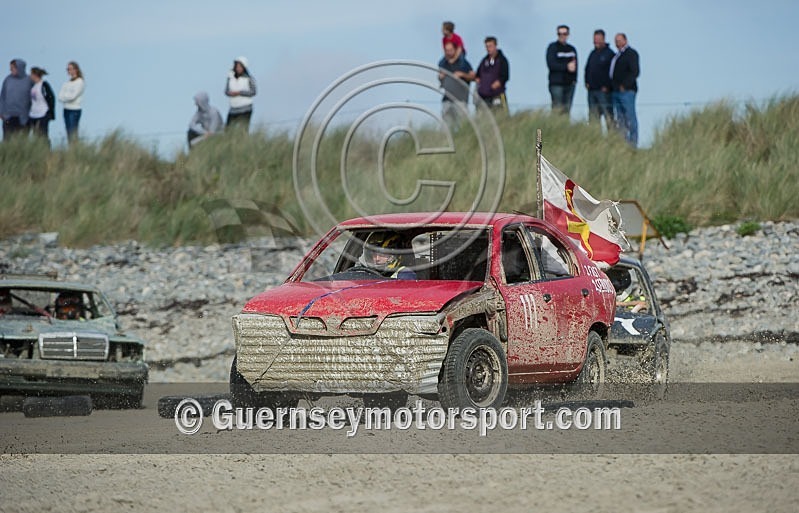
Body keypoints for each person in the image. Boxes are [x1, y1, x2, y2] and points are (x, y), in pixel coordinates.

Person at [610, 33, 640, 147]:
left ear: (625, 40)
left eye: (619, 40)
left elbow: (635, 72)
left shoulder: (631, 54)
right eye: (615, 41)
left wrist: (625, 85)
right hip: (616, 91)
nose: (617, 43)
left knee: (630, 117)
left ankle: (632, 143)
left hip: (626, 91)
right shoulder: (617, 55)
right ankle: (623, 143)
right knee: (620, 118)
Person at [438, 41, 475, 128]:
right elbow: (441, 81)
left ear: (455, 50)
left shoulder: (463, 63)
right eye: (447, 50)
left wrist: (462, 74)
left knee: (464, 125)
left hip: (460, 100)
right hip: (446, 99)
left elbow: (473, 77)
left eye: (450, 50)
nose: (449, 52)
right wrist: (440, 77)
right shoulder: (443, 64)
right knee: (446, 127)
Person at [584, 29, 615, 128]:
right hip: (592, 90)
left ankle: (612, 138)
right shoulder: (592, 53)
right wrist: (586, 82)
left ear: (603, 39)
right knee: (593, 117)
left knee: (608, 116)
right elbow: (587, 68)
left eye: (598, 39)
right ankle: (595, 139)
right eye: (594, 39)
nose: (596, 41)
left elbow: (614, 72)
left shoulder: (610, 54)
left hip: (604, 92)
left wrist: (608, 86)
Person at [546, 25, 578, 115]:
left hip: (570, 84)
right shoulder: (552, 47)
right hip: (557, 84)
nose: (562, 36)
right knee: (557, 109)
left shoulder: (572, 49)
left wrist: (574, 80)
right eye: (560, 34)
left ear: (568, 34)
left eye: (564, 34)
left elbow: (575, 65)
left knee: (567, 110)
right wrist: (566, 67)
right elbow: (551, 64)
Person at [0, 59, 34, 140]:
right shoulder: (8, 80)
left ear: (19, 68)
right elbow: (2, 96)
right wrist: (1, 111)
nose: (11, 70)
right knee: (7, 139)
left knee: (22, 140)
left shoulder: (29, 80)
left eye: (12, 68)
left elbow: (35, 97)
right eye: (10, 68)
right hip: (8, 116)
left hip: (23, 117)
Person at [475, 36, 510, 114]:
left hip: (497, 95)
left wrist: (498, 83)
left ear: (495, 46)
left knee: (501, 116)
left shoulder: (502, 60)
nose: (488, 48)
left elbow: (505, 76)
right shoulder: (484, 61)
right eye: (487, 46)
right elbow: (477, 75)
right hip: (484, 96)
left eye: (490, 46)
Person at [224, 56, 256, 129]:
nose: (238, 68)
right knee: (228, 129)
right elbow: (226, 91)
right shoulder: (230, 78)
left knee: (243, 129)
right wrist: (230, 93)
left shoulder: (249, 78)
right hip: (233, 108)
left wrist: (239, 93)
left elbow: (253, 92)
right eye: (237, 66)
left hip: (245, 108)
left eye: (240, 66)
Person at [58, 61, 85, 143]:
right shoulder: (66, 83)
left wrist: (65, 97)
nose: (69, 71)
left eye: (70, 69)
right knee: (68, 131)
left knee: (73, 131)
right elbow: (60, 97)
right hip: (66, 109)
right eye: (68, 69)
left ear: (75, 69)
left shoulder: (80, 82)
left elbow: (73, 96)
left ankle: (75, 149)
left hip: (74, 109)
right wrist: (66, 97)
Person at [29, 67, 56, 144]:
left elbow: (51, 97)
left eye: (31, 74)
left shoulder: (44, 85)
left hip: (43, 113)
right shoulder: (33, 86)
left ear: (35, 75)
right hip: (34, 114)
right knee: (35, 135)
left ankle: (46, 151)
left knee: (43, 134)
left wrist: (51, 112)